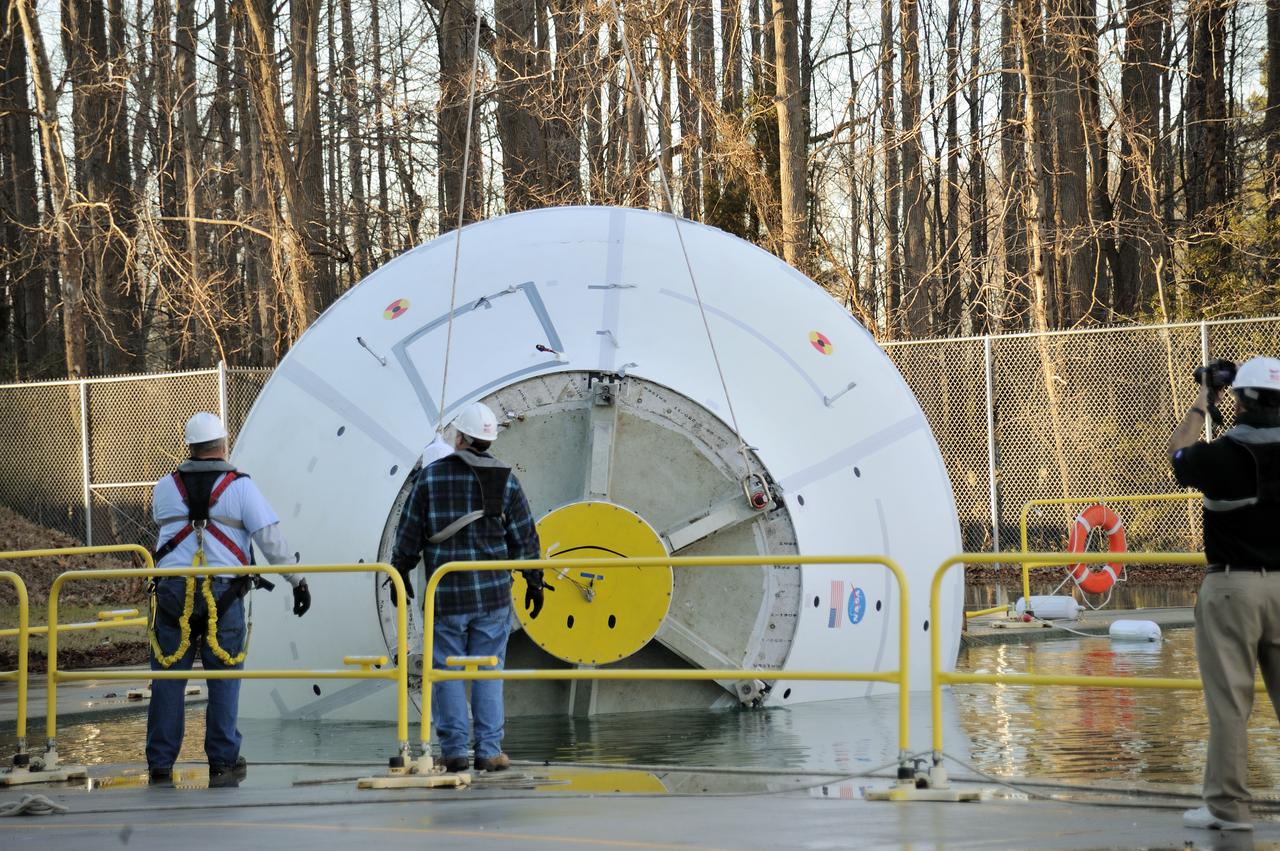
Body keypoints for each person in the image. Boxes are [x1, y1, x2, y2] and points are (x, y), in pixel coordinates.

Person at [147, 412, 311, 786]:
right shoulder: (240, 487)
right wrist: (296, 581)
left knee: (168, 679)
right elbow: (270, 539)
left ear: (189, 446)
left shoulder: (165, 488)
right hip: (224, 591)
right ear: (223, 444)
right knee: (224, 678)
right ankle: (222, 759)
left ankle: (160, 762)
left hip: (175, 591)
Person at [391, 401, 544, 773]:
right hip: (492, 594)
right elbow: (524, 533)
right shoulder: (505, 479)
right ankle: (490, 751)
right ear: (487, 441)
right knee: (488, 670)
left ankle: (455, 751)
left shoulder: (431, 477)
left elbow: (408, 532)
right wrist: (534, 579)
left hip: (446, 595)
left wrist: (400, 572)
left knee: (446, 671)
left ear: (459, 438)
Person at [1170, 356, 1280, 832]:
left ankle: (1229, 810)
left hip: (1232, 588)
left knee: (1231, 705)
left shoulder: (1219, 457)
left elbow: (1178, 452)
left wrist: (1202, 402)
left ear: (1240, 400)